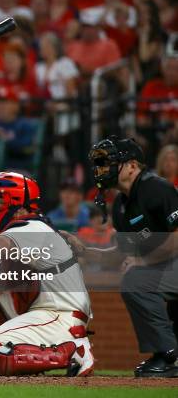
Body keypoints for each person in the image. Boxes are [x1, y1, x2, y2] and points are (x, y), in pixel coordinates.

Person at [62, 138, 178, 377]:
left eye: (108, 162)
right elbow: (120, 256)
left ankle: (168, 354)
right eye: (99, 164)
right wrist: (83, 249)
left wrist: (143, 262)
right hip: (169, 269)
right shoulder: (121, 205)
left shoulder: (156, 188)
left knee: (137, 280)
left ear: (132, 166)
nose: (102, 169)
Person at [0, 172, 93, 377]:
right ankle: (42, 354)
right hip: (43, 313)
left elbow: (0, 246)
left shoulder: (31, 226)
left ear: (15, 202)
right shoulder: (30, 227)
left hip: (60, 314)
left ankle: (75, 351)